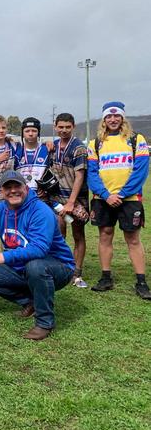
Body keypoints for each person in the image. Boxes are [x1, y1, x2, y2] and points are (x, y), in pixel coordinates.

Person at [0, 170, 75, 340]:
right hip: (22, 267)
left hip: (58, 266)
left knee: (35, 266)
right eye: (8, 187)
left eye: (17, 186)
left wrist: (4, 257)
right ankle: (30, 301)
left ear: (26, 188)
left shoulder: (40, 211)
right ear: (2, 191)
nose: (13, 191)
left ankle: (44, 322)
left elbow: (40, 249)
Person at [87, 101, 150, 299]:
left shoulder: (135, 139)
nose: (113, 119)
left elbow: (141, 170)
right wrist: (107, 195)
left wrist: (121, 194)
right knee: (105, 235)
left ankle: (141, 282)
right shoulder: (95, 143)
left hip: (129, 199)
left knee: (133, 238)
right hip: (103, 199)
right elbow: (92, 173)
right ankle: (106, 277)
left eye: (116, 116)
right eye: (108, 116)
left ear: (122, 118)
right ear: (103, 119)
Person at [48, 113, 90, 288]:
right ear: (55, 127)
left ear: (73, 127)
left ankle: (76, 273)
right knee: (58, 234)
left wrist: (72, 202)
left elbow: (80, 177)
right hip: (57, 198)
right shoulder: (53, 146)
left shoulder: (78, 148)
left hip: (76, 199)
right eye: (61, 127)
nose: (64, 130)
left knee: (78, 235)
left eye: (67, 127)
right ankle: (61, 268)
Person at [17, 117, 49, 190]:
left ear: (38, 133)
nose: (30, 134)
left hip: (41, 196)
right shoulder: (16, 150)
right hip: (21, 195)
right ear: (22, 133)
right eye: (27, 131)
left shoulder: (47, 149)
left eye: (34, 131)